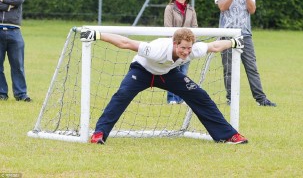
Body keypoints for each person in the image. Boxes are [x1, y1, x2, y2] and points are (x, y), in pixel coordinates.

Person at [80, 27, 248, 145]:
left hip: (167, 73)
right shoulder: (156, 49)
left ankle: (228, 136)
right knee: (122, 96)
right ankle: (99, 134)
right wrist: (98, 35)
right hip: (141, 72)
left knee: (199, 95)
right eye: (182, 48)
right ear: (174, 43)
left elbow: (215, 46)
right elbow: (125, 43)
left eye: (189, 48)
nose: (186, 52)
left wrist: (234, 42)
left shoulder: (193, 49)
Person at [215, 0, 276, 106]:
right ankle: (231, 99)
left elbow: (252, 10)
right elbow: (222, 7)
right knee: (228, 69)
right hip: (227, 35)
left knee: (252, 68)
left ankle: (261, 99)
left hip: (245, 35)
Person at [164, 0, 198, 104]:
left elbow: (195, 27)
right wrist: (175, 44)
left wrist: (191, 43)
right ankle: (172, 98)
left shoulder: (191, 9)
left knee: (183, 73)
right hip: (174, 45)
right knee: (173, 72)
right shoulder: (169, 8)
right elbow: (168, 27)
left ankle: (181, 98)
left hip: (187, 47)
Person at [0, 0, 31, 102]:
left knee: (18, 65)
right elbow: (15, 0)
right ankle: (2, 94)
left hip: (15, 30)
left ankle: (21, 94)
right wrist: (10, 3)